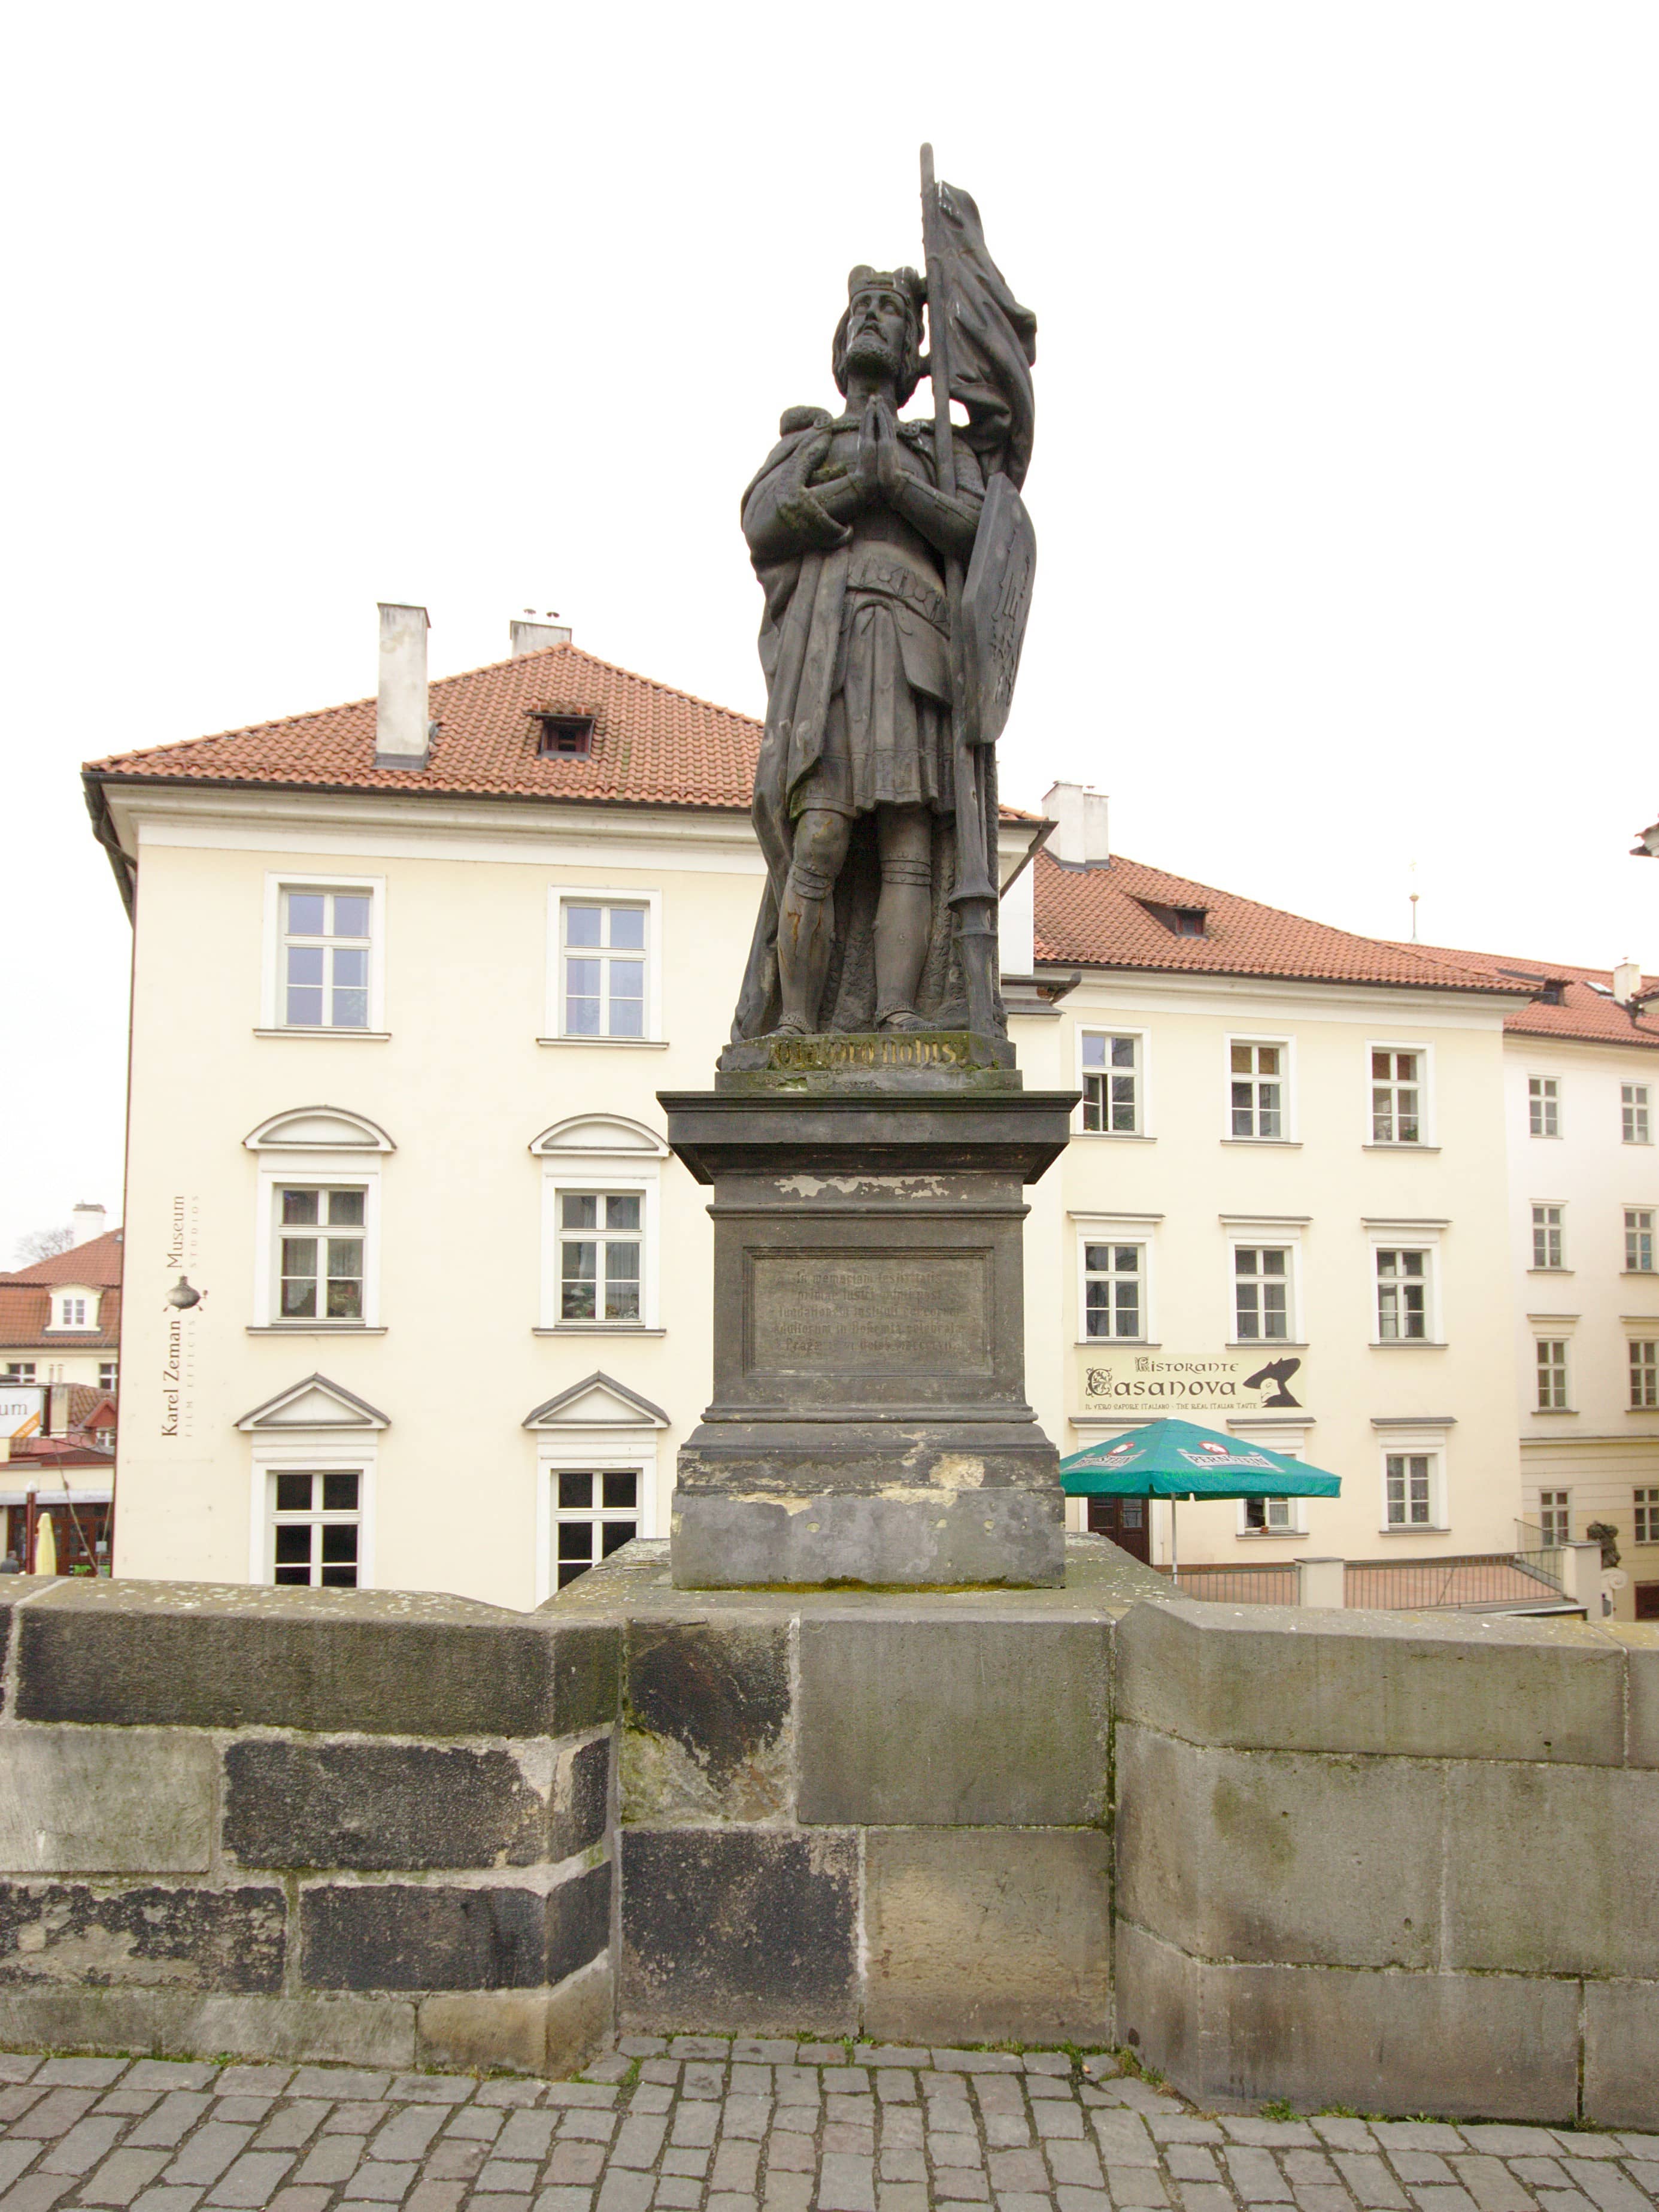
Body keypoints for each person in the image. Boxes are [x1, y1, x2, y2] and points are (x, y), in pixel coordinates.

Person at [727, 266, 987, 1043]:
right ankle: (797, 1022)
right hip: (829, 658)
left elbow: (984, 532)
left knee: (911, 839)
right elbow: (764, 520)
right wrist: (857, 491)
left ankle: (897, 1008)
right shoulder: (813, 441)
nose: (875, 320)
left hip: (917, 659)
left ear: (915, 354)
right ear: (841, 346)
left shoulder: (939, 449)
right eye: (863, 311)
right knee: (821, 835)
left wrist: (900, 489)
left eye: (893, 314)